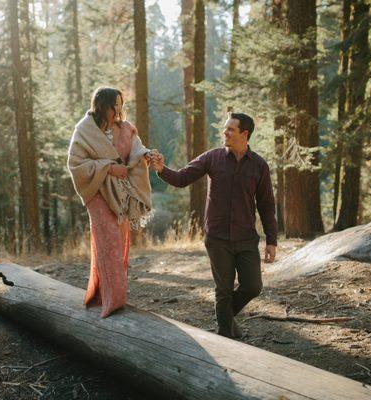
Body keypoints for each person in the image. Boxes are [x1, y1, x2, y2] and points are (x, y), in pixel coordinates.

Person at [149, 113, 277, 338]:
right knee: (224, 290)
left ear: (244, 134)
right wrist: (161, 169)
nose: (224, 133)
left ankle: (225, 317)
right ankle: (225, 336)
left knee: (253, 286)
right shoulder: (212, 158)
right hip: (217, 238)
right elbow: (181, 178)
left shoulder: (259, 165)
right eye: (225, 128)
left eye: (230, 130)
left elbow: (266, 205)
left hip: (246, 238)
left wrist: (272, 240)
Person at [67, 86, 153, 318]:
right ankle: (112, 302)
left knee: (120, 242)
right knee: (108, 242)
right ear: (101, 105)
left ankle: (107, 295)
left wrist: (146, 155)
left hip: (120, 194)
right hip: (97, 191)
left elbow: (137, 150)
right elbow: (75, 164)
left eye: (120, 103)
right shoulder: (84, 130)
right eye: (114, 104)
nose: (118, 108)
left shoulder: (125, 129)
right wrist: (107, 167)